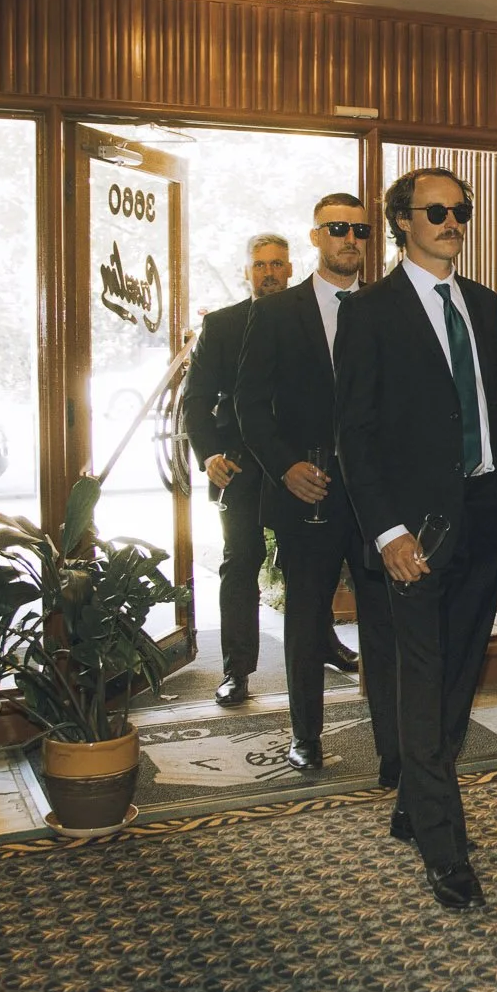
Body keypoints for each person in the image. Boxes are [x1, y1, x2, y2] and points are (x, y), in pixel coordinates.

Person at [337, 167, 497, 912]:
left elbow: (491, 409)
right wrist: (387, 531)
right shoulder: (369, 311)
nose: (452, 222)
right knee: (422, 673)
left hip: (485, 511)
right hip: (415, 530)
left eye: (460, 210)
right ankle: (445, 849)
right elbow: (356, 434)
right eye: (436, 211)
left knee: (459, 673)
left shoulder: (483, 302)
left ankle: (416, 795)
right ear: (401, 222)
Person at [234, 193, 398, 778]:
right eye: (337, 228)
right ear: (316, 237)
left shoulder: (389, 308)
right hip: (308, 495)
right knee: (306, 623)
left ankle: (393, 747)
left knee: (383, 625)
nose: (350, 238)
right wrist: (284, 467)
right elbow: (250, 407)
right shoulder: (277, 313)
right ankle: (305, 736)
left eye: (360, 230)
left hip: (379, 500)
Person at [180, 233, 291, 707]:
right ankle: (236, 671)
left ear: (290, 269)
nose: (268, 273)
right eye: (259, 265)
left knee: (309, 562)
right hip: (237, 465)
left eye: (277, 264)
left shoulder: (306, 318)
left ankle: (323, 644)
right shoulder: (222, 325)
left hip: (296, 463)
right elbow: (196, 399)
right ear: (246, 272)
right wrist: (209, 455)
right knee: (241, 562)